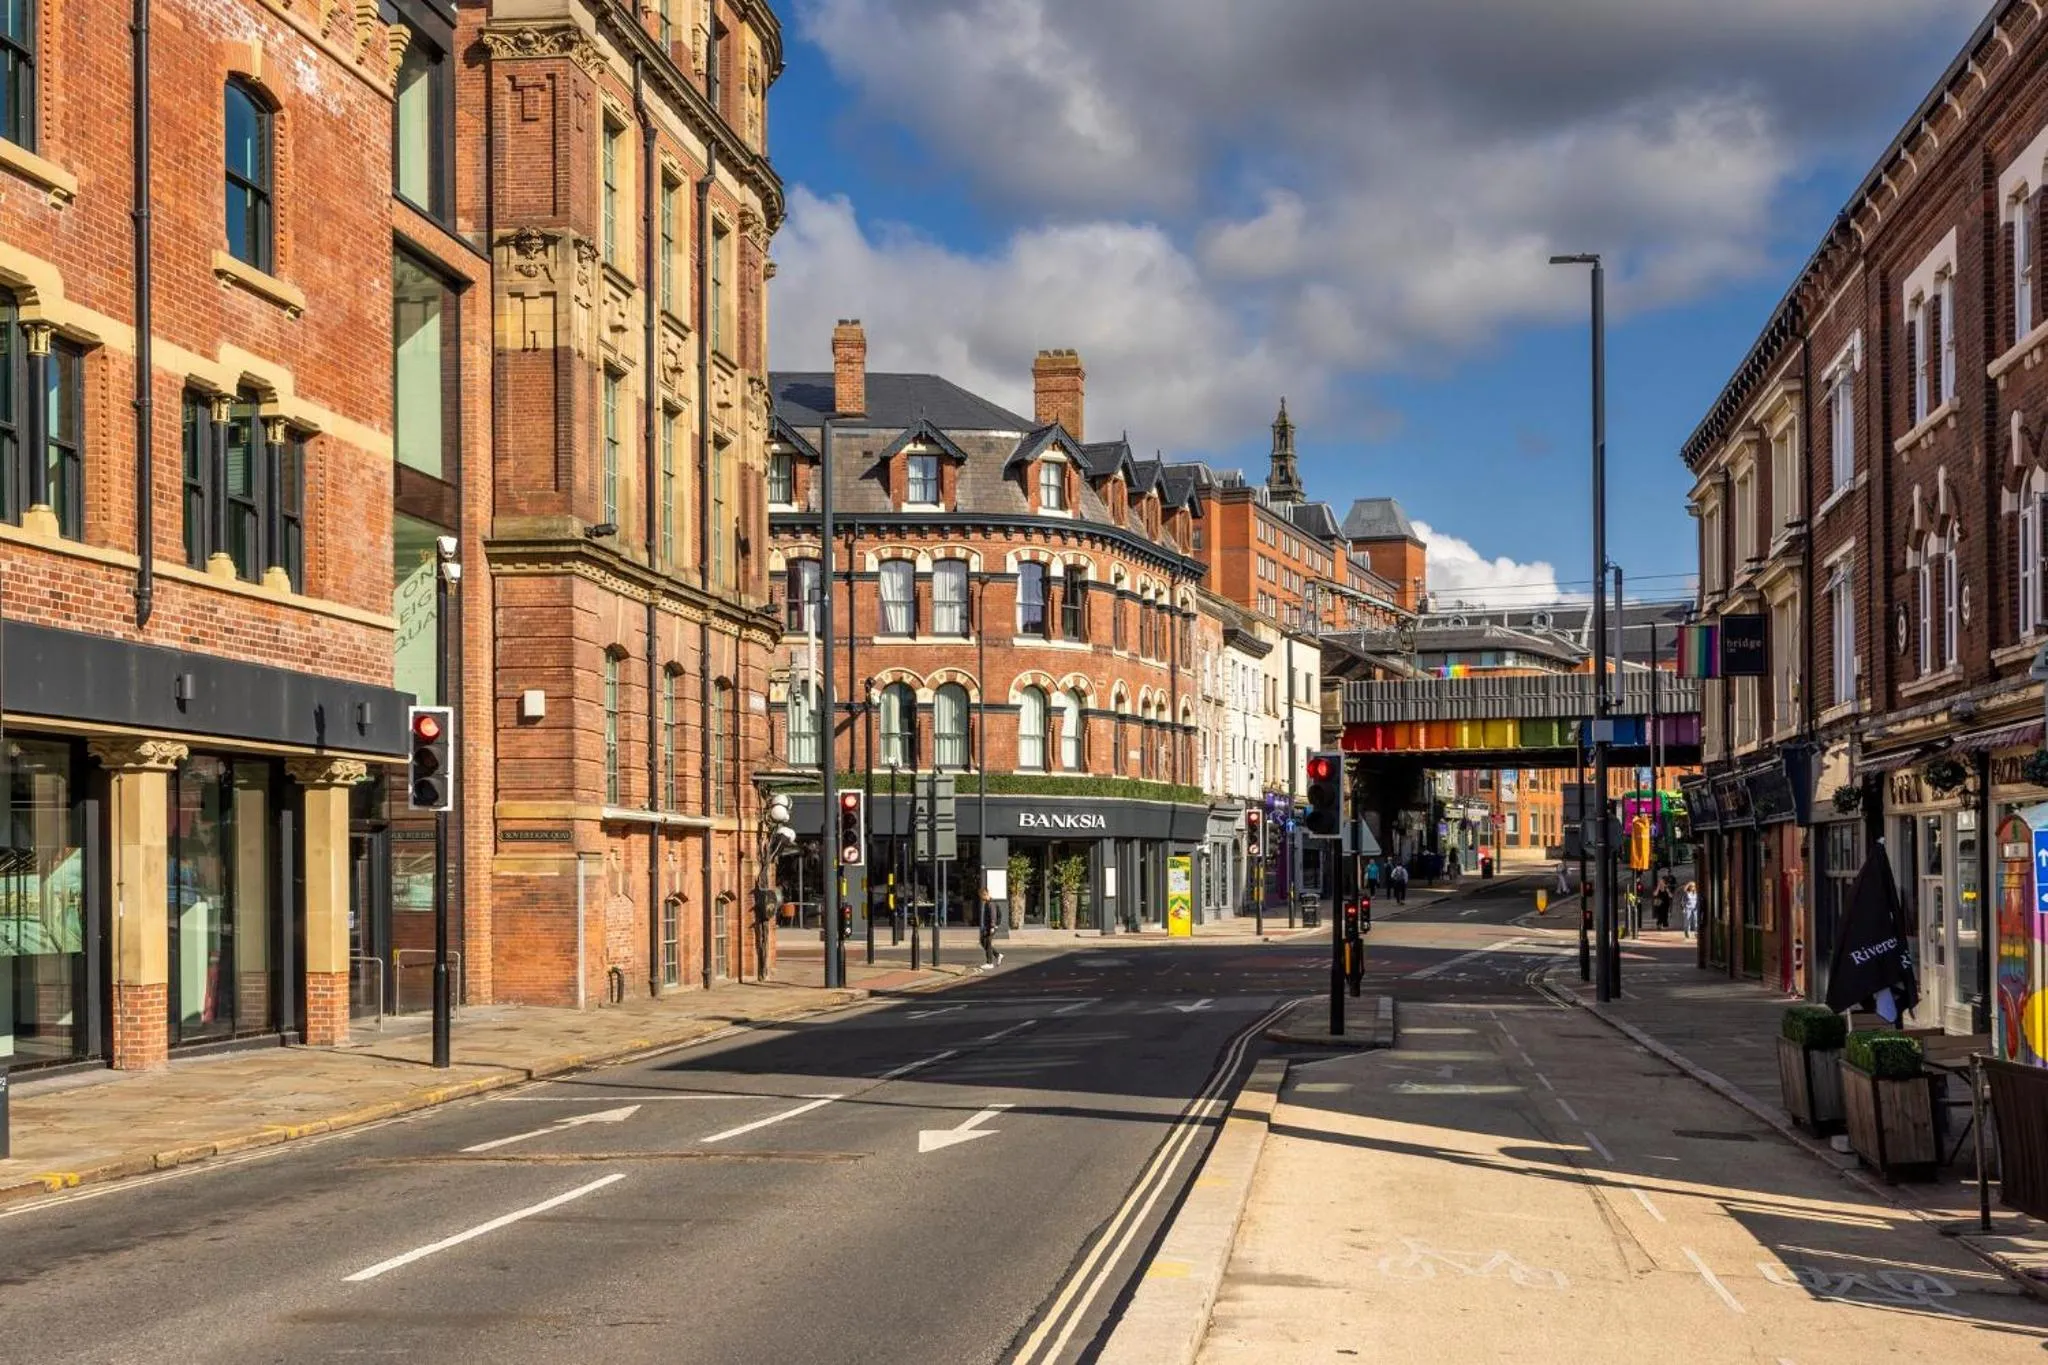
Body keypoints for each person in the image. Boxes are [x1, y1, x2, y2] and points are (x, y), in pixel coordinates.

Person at [977, 889, 1003, 970]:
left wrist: (992, 927)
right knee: (983, 941)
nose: (981, 899)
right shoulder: (987, 903)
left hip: (992, 927)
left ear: (985, 895)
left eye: (981, 897)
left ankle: (989, 963)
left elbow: (993, 916)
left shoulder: (991, 904)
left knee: (987, 943)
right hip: (988, 926)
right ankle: (997, 955)